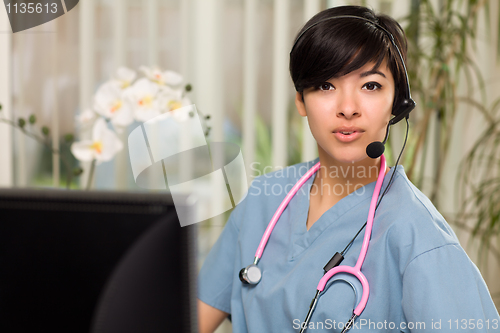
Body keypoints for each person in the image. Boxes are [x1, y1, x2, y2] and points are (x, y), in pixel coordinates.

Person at [197, 5, 500, 333]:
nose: (347, 108)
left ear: (397, 103)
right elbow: (190, 318)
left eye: (370, 86)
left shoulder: (416, 234)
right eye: (326, 86)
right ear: (301, 100)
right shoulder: (263, 200)